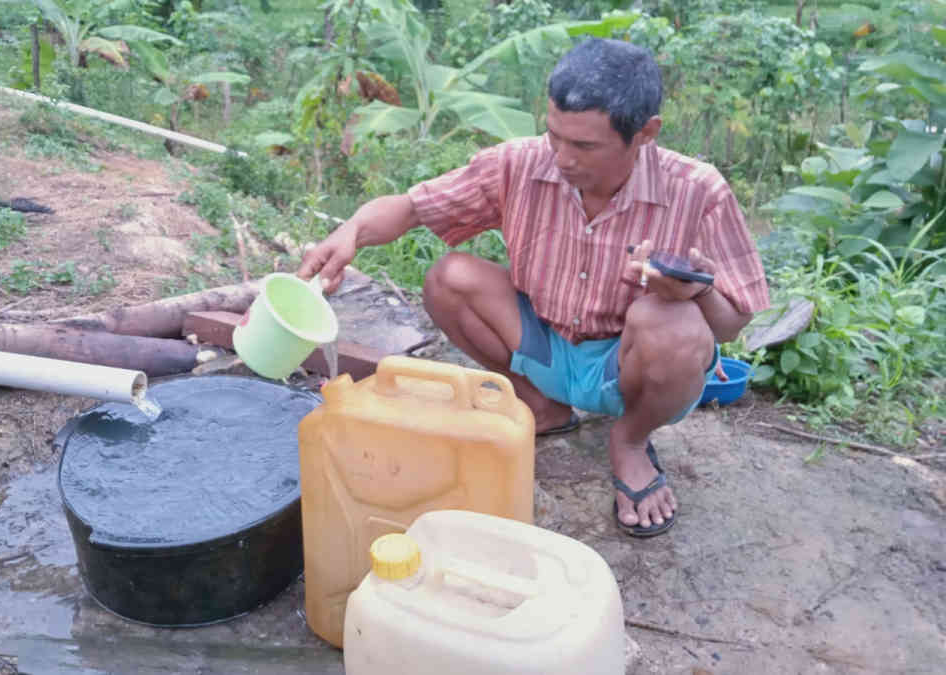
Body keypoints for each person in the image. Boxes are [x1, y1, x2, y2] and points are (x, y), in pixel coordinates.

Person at [297, 37, 770, 537]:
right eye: (554, 136)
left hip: (629, 366)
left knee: (673, 324)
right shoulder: (521, 164)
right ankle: (541, 406)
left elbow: (733, 323)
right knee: (449, 278)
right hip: (544, 342)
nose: (563, 159)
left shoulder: (698, 191)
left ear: (645, 134)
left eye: (584, 146)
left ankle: (630, 441)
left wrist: (696, 293)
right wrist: (352, 231)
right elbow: (414, 208)